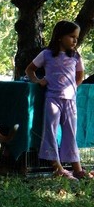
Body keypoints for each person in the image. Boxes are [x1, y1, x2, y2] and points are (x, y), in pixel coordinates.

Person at [25, 20, 94, 180]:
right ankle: (58, 168)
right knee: (50, 131)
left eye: (76, 37)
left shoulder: (76, 56)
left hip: (70, 101)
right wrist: (37, 80)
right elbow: (30, 69)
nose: (75, 40)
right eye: (72, 36)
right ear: (59, 37)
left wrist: (73, 87)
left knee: (70, 132)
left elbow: (80, 75)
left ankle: (77, 168)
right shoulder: (46, 54)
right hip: (52, 99)